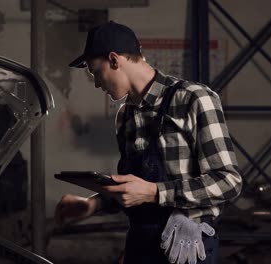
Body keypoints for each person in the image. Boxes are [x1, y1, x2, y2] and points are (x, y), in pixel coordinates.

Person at [55, 21, 242, 264]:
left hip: (187, 242)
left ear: (114, 60)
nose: (97, 83)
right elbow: (134, 189)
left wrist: (156, 192)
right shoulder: (126, 116)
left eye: (95, 72)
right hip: (141, 243)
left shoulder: (194, 98)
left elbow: (229, 181)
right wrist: (94, 203)